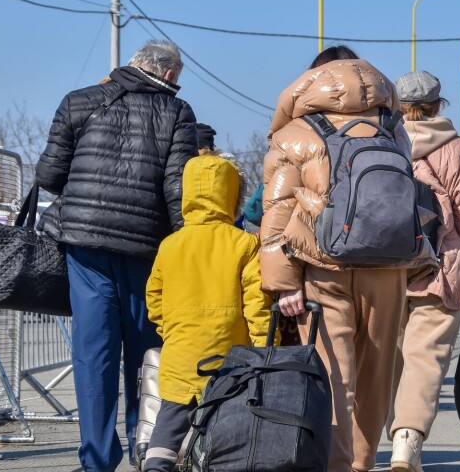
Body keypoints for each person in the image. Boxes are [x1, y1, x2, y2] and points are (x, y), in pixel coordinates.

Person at [260, 45, 434, 472]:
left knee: (334, 379)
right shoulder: (392, 128)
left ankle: (337, 466)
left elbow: (278, 209)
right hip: (388, 268)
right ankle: (362, 463)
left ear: (311, 81)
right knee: (377, 382)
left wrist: (284, 283)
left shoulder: (294, 133)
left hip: (323, 269)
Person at [35, 40, 197, 471]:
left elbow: (49, 175)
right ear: (167, 74)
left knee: (94, 354)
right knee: (147, 355)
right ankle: (147, 449)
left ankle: (97, 460)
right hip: (146, 250)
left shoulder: (79, 100)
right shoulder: (177, 113)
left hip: (86, 247)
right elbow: (179, 192)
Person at [386, 71, 460, 472]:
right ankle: (407, 443)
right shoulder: (457, 152)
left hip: (384, 271)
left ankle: (365, 446)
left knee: (385, 363)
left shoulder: (381, 142)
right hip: (440, 268)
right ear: (439, 106)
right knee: (425, 360)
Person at [144, 155, 272, 472]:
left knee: (169, 423)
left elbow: (154, 300)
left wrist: (170, 331)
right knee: (226, 426)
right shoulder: (244, 244)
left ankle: (155, 465)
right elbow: (258, 305)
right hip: (229, 360)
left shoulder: (170, 245)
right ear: (232, 196)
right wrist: (265, 350)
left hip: (180, 356)